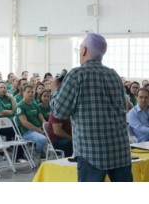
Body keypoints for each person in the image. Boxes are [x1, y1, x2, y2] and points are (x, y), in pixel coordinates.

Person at [50, 33, 132, 182]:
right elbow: (124, 107)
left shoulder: (77, 75)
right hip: (120, 150)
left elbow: (59, 112)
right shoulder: (114, 75)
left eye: (80, 48)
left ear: (84, 51)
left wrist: (55, 90)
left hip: (91, 152)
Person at [15, 85, 47, 165]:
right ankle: (36, 153)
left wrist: (45, 124)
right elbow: (25, 123)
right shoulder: (20, 106)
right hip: (27, 131)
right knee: (42, 139)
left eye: (32, 92)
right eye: (28, 92)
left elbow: (41, 117)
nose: (30, 94)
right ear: (23, 93)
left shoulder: (34, 103)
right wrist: (39, 130)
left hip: (39, 128)